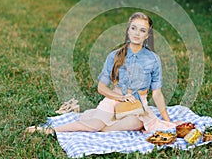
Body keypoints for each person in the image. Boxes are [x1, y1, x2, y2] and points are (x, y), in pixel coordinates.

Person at [26, 12, 184, 134]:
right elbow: (101, 88)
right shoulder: (115, 55)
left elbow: (157, 94)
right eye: (133, 28)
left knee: (138, 123)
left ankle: (101, 125)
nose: (137, 33)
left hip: (137, 104)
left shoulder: (153, 59)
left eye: (142, 30)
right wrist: (121, 98)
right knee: (93, 126)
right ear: (128, 31)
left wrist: (168, 121)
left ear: (147, 35)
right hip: (113, 99)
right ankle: (49, 130)